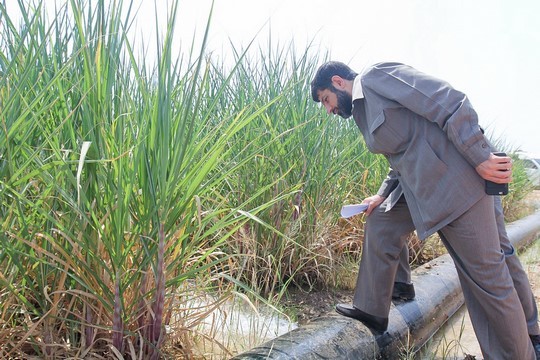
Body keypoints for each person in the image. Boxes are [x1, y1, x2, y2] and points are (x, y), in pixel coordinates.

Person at [310, 61, 540, 359]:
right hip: (420, 187)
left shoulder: (377, 77)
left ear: (338, 81)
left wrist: (480, 155)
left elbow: (448, 100)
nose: (328, 110)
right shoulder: (360, 112)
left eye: (326, 100)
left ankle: (522, 350)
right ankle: (375, 307)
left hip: (455, 184)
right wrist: (380, 196)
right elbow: (400, 158)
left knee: (486, 279)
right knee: (381, 220)